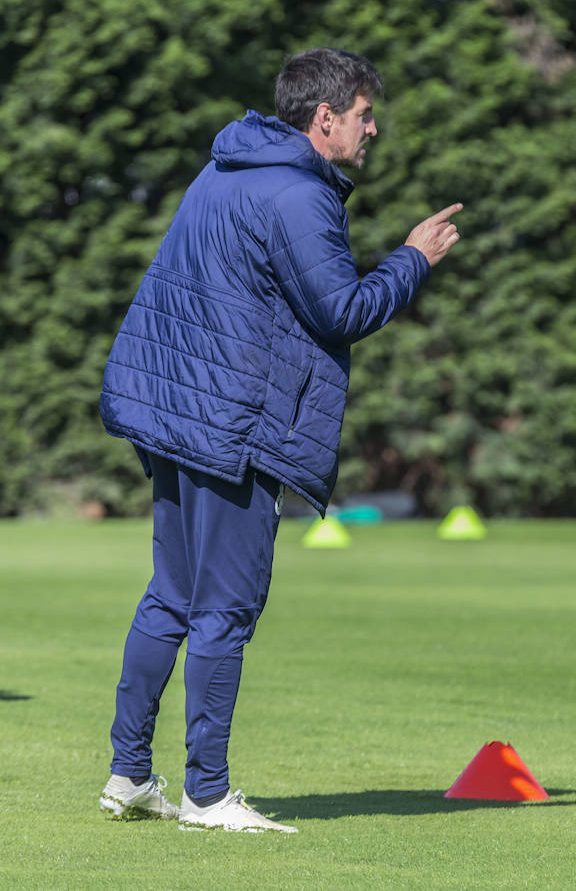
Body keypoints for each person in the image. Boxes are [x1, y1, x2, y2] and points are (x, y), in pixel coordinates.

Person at [95, 48, 462, 833]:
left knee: (172, 597)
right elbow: (345, 313)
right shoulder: (298, 195)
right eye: (364, 115)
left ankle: (129, 776)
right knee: (223, 609)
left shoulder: (225, 168)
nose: (374, 129)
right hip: (227, 424)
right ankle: (206, 793)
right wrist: (413, 259)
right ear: (324, 119)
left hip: (174, 412)